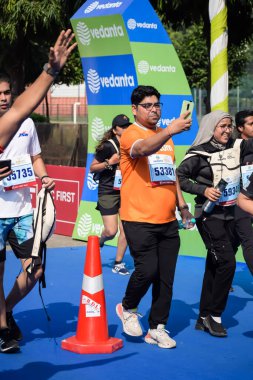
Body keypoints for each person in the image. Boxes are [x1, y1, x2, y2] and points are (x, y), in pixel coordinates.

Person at [0, 29, 76, 353]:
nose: (4, 98)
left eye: (6, 92)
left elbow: (21, 110)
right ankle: (3, 327)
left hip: (21, 211)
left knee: (36, 268)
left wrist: (52, 70)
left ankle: (4, 310)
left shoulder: (21, 124)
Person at [115, 85, 194, 349]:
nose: (154, 109)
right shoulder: (130, 135)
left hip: (168, 220)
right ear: (134, 109)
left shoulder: (165, 136)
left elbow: (170, 174)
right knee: (147, 270)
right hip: (138, 218)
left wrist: (182, 206)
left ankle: (157, 328)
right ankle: (127, 307)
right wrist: (171, 129)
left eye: (157, 104)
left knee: (165, 278)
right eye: (147, 105)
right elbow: (143, 150)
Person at [177, 110, 253, 338]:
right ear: (211, 128)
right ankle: (215, 316)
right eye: (223, 126)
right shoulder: (198, 153)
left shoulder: (238, 145)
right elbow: (178, 177)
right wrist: (203, 189)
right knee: (227, 263)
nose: (227, 130)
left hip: (233, 213)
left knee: (214, 264)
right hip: (210, 216)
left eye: (229, 126)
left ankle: (202, 317)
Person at [90, 114, 131, 275]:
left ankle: (118, 263)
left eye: (128, 125)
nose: (127, 128)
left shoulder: (131, 144)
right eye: (123, 126)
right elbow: (93, 168)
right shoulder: (107, 146)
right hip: (108, 191)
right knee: (111, 231)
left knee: (126, 229)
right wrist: (109, 162)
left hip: (126, 191)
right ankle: (99, 242)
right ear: (115, 130)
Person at [233, 110, 253, 275]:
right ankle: (221, 276)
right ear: (240, 127)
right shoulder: (233, 147)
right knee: (246, 241)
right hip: (239, 200)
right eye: (251, 124)